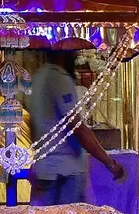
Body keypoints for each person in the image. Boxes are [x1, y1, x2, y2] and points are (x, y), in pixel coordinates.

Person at [29, 50, 126, 205]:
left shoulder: (36, 78)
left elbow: (32, 125)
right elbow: (78, 128)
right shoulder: (59, 78)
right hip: (65, 172)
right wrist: (109, 163)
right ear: (63, 53)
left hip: (44, 169)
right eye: (74, 53)